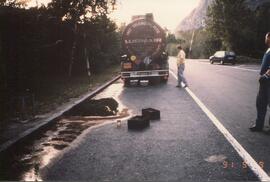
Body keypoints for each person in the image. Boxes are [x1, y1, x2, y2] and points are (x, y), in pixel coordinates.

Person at [249, 32, 270, 132]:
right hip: (264, 82)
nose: (265, 39)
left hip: (268, 80)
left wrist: (266, 75)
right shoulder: (268, 49)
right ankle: (259, 125)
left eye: (266, 37)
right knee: (260, 103)